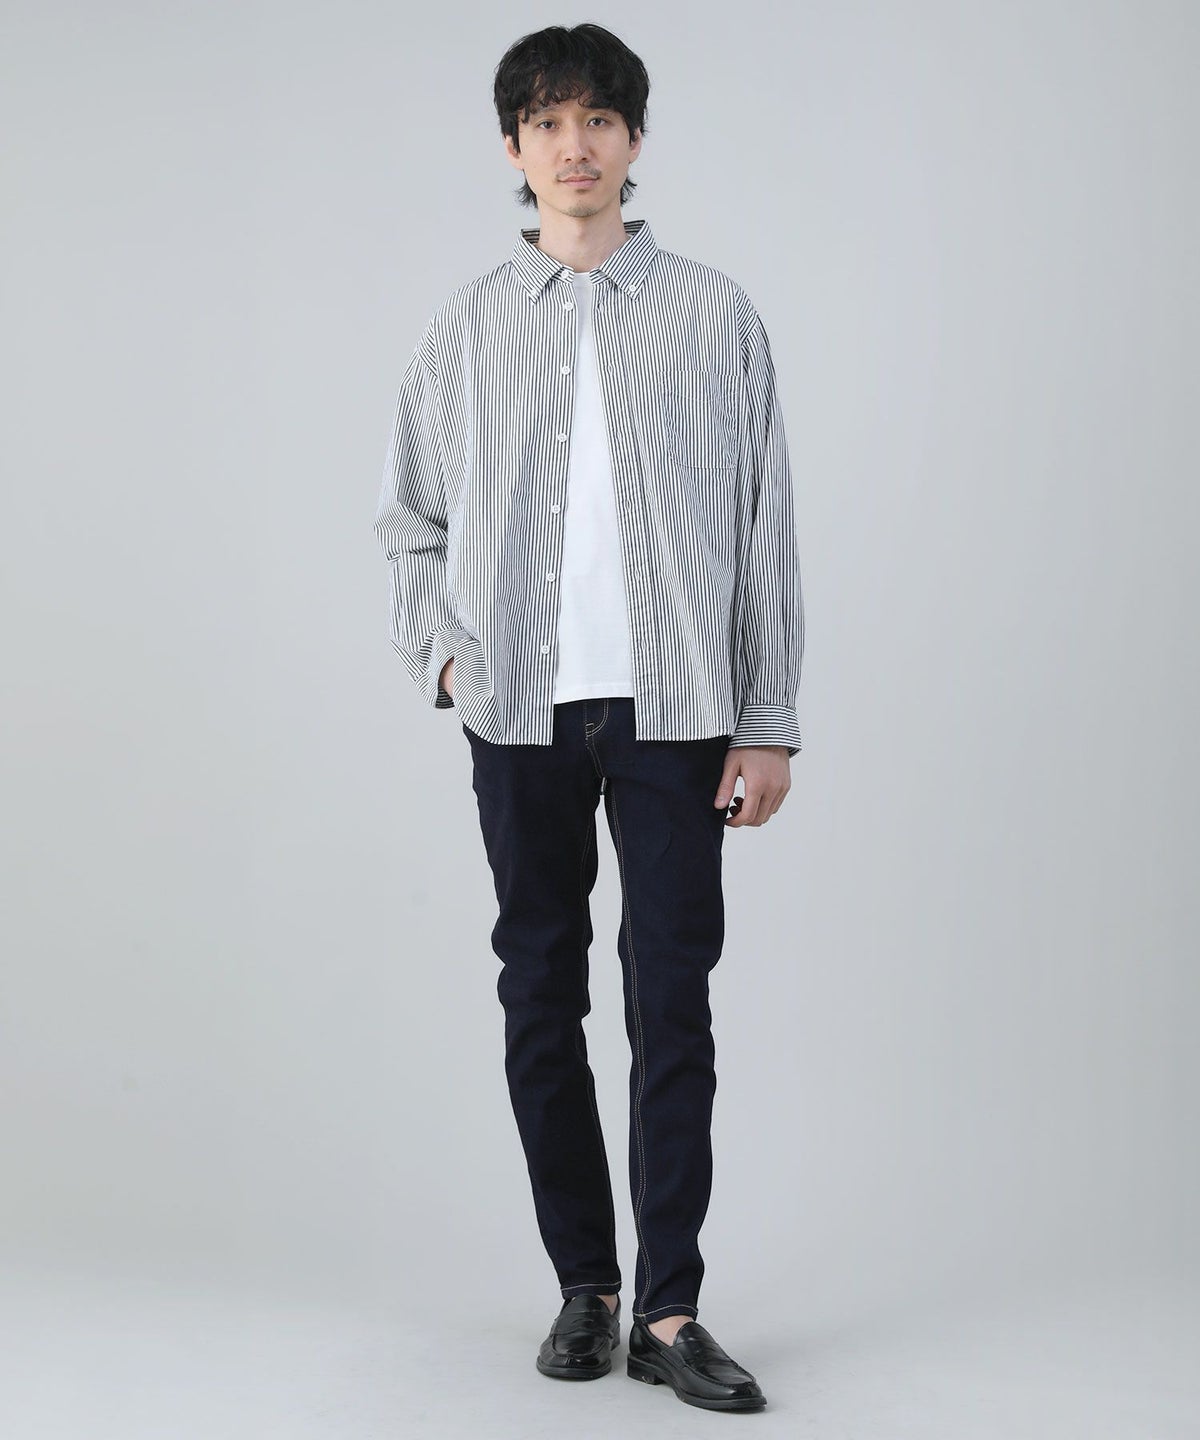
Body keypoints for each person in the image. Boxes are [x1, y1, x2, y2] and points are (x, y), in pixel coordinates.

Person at [373, 21, 803, 1415]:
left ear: (634, 139)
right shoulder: (467, 327)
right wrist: (452, 664)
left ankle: (670, 1309)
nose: (576, 145)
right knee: (539, 991)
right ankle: (587, 1287)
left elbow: (762, 524)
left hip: (680, 712)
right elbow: (409, 517)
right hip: (522, 719)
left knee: (672, 1001)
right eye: (549, 121)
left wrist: (766, 717)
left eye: (599, 120)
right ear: (514, 146)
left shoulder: (716, 315)